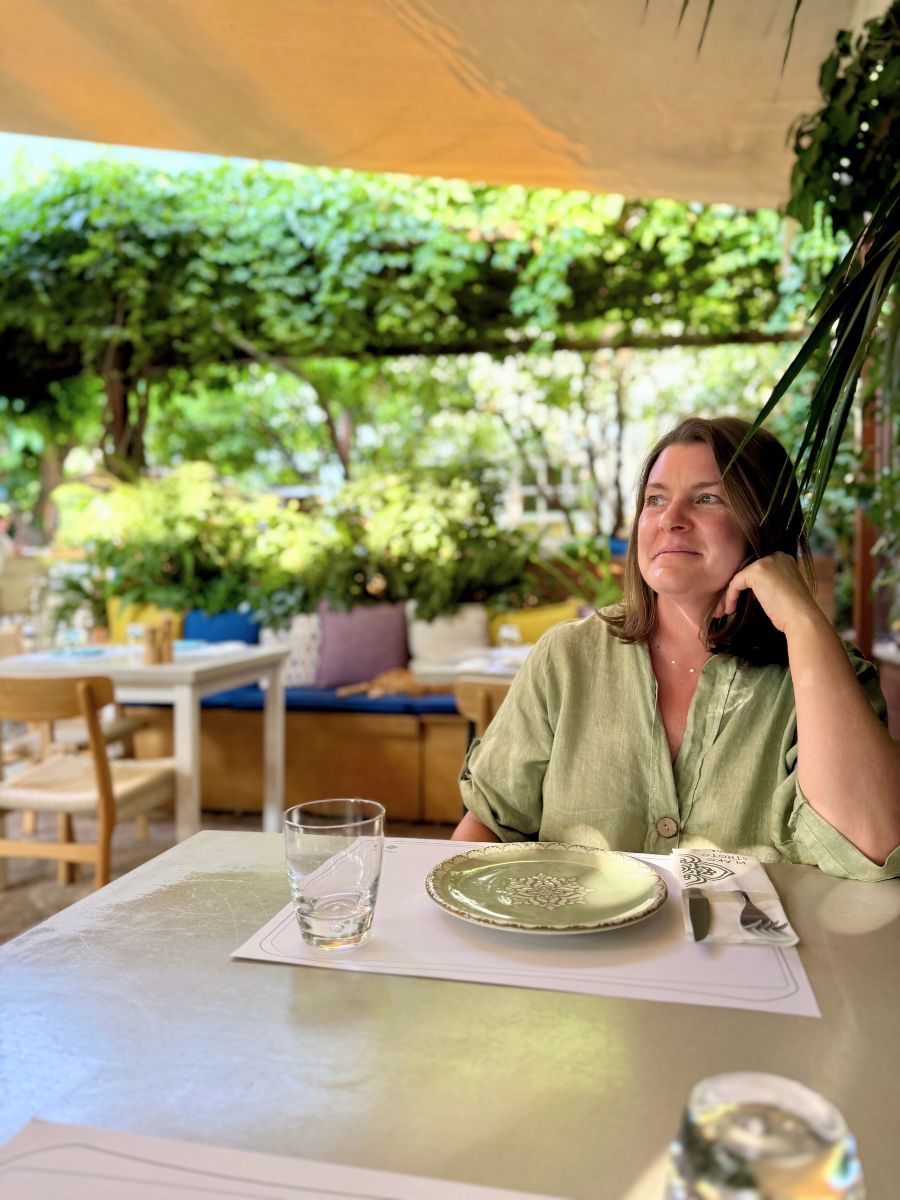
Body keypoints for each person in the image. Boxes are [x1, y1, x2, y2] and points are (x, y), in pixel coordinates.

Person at [453, 416, 900, 881]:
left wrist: (804, 621)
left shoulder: (825, 673)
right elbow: (489, 824)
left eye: (707, 498)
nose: (670, 519)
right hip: (576, 952)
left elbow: (875, 843)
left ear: (765, 527)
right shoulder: (566, 658)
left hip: (754, 956)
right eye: (655, 499)